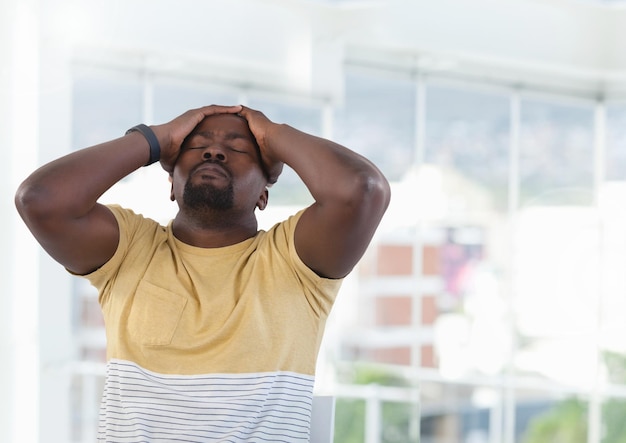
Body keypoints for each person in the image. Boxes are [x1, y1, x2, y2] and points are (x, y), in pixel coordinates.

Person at [15, 104, 391, 442]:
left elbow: (362, 190)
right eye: (197, 146)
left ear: (264, 194)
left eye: (240, 148)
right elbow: (41, 199)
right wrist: (156, 138)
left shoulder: (294, 261)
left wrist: (272, 134)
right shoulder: (130, 249)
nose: (214, 151)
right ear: (171, 186)